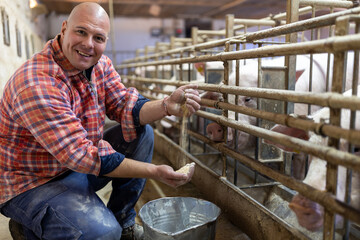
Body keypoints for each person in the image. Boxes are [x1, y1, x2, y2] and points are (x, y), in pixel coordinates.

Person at [0, 2, 201, 240]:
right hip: (33, 181)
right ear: (64, 29)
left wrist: (167, 106)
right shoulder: (37, 83)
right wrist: (155, 171)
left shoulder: (100, 64)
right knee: (103, 233)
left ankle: (123, 222)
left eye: (98, 37)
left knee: (142, 133)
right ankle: (29, 228)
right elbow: (82, 155)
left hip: (72, 166)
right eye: (81, 32)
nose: (88, 44)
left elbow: (124, 104)